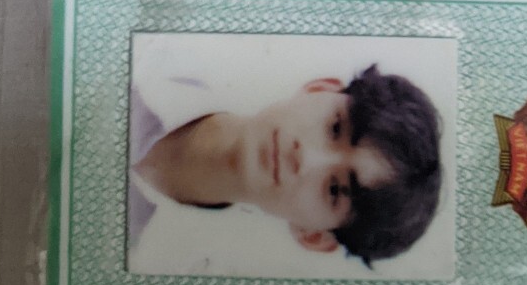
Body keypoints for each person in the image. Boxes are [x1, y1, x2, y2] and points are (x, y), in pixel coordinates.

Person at [128, 58, 442, 272]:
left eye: (334, 190)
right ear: (320, 89)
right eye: (334, 128)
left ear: (314, 235)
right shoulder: (157, 61)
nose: (306, 157)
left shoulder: (161, 266)